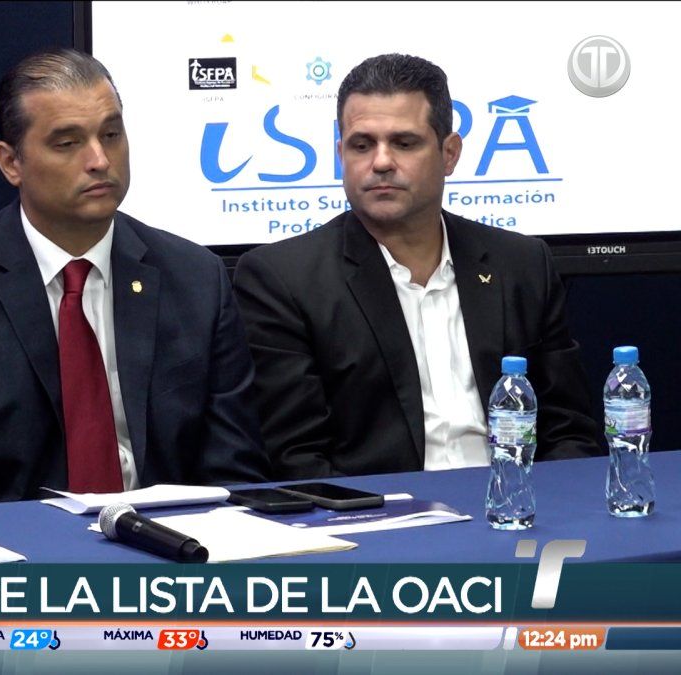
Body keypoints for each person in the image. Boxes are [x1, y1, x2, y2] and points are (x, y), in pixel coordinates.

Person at [0, 48, 269, 503]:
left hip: (173, 547)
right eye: (67, 143)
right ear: (11, 163)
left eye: (111, 134)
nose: (99, 160)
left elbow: (236, 467)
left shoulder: (196, 278)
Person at [233, 53, 602, 479]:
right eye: (361, 145)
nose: (382, 161)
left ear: (449, 153)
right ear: (340, 153)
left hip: (519, 511)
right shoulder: (283, 279)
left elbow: (570, 433)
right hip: (379, 525)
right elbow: (297, 460)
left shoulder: (521, 265)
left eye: (404, 143)